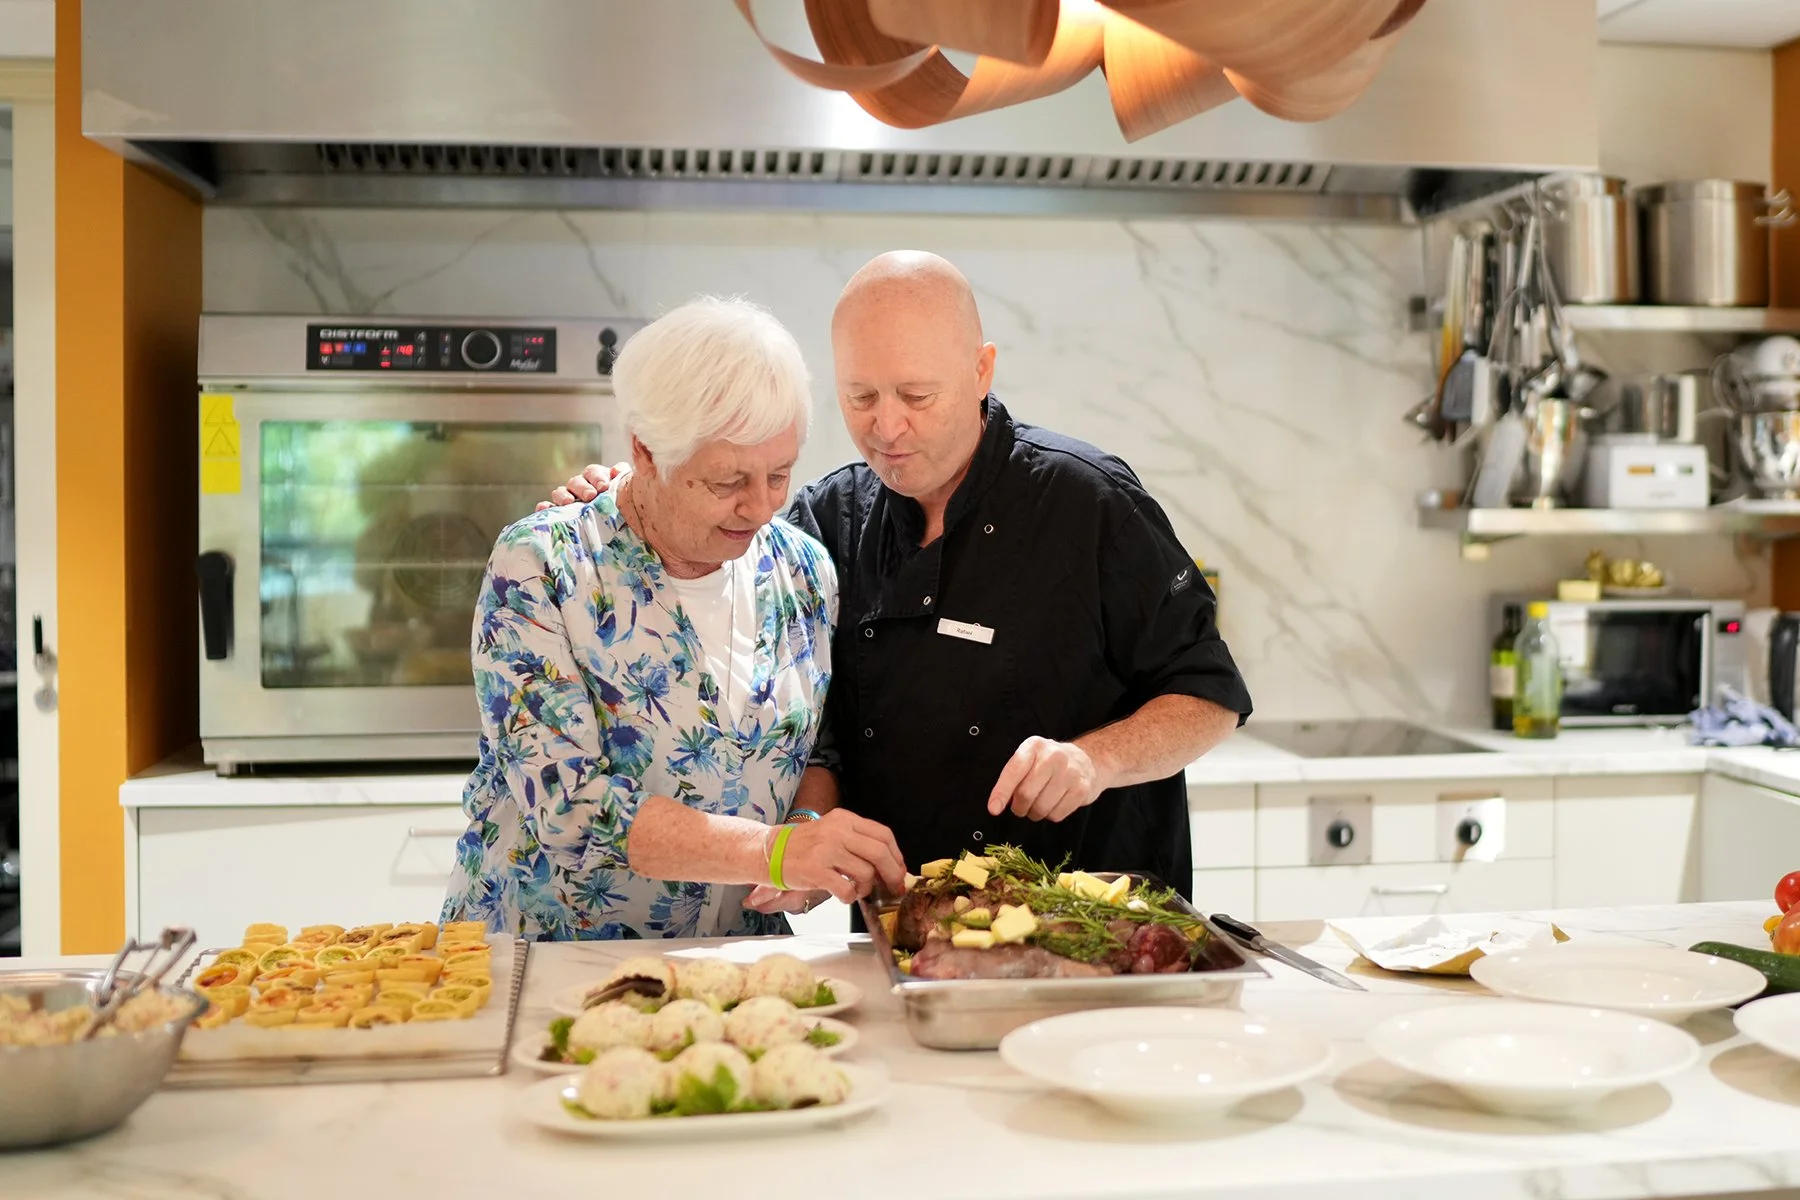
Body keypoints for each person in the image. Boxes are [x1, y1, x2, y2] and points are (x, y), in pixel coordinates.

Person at [543, 252, 1252, 903]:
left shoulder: (1089, 502)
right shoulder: (827, 522)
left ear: (981, 370)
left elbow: (1209, 695)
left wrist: (1095, 760)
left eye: (916, 396)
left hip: (1095, 925)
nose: (886, 428)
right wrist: (626, 499)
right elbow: (818, 736)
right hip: (909, 932)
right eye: (861, 397)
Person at [442, 294, 905, 941]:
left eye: (778, 474)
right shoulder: (545, 566)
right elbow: (571, 809)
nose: (759, 506)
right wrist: (772, 850)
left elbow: (817, 749)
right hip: (554, 959)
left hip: (734, 962)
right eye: (726, 481)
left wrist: (804, 837)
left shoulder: (802, 571)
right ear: (645, 451)